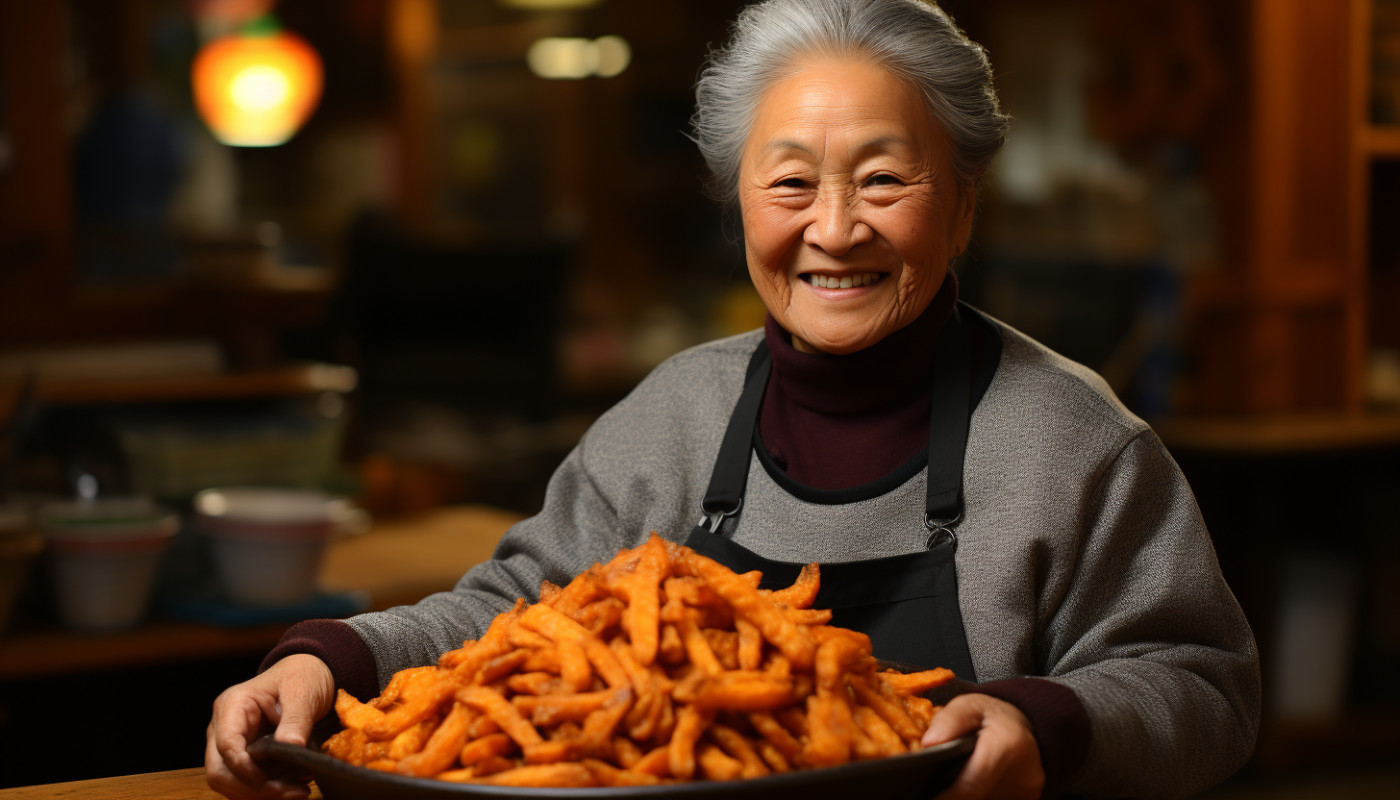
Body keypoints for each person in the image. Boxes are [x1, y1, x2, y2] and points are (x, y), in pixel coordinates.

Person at [206, 1, 1260, 798]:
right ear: (739, 201)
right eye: (790, 182)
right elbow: (503, 617)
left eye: (884, 180)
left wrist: (1050, 724)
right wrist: (326, 656)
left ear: (963, 204)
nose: (834, 227)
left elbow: (1203, 686)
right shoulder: (670, 415)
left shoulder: (1076, 444)